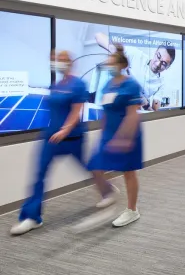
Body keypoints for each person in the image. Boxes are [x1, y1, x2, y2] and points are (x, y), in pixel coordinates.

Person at [10, 51, 114, 235]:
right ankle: (32, 217)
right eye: (57, 60)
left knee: (88, 168)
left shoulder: (78, 85)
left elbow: (76, 111)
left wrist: (65, 129)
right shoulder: (55, 86)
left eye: (63, 60)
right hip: (51, 138)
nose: (59, 63)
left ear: (70, 62)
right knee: (39, 174)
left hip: (73, 138)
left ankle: (107, 190)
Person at [88, 44, 144, 228]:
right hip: (109, 133)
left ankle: (132, 210)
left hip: (128, 134)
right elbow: (106, 111)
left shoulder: (131, 85)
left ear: (121, 65)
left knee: (128, 172)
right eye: (108, 63)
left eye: (111, 63)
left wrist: (124, 138)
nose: (108, 65)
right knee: (95, 166)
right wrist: (103, 134)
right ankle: (109, 191)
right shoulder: (107, 85)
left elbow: (132, 115)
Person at [95, 33, 175, 112]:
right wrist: (118, 54)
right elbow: (99, 36)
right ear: (155, 52)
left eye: (164, 64)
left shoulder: (161, 83)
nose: (158, 64)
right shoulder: (135, 55)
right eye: (158, 56)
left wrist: (146, 105)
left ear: (168, 67)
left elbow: (154, 112)